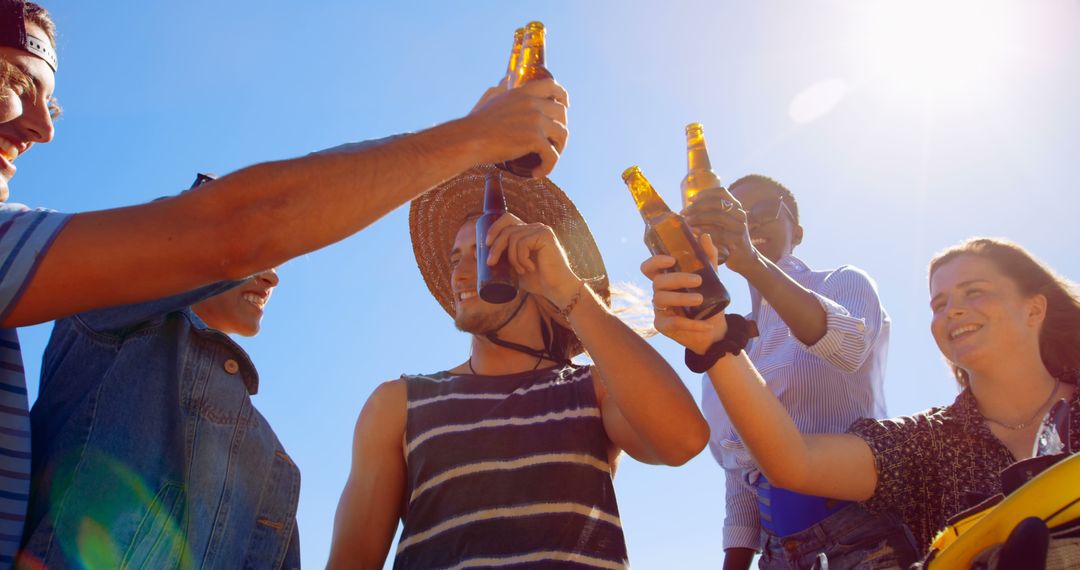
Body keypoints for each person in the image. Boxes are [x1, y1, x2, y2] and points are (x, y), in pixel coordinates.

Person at [0, 1, 567, 562]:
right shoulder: (108, 316)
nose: (42, 127)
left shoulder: (272, 464)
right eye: (16, 84)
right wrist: (472, 138)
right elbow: (238, 229)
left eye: (51, 103)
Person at [327, 166, 710, 569]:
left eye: (480, 252)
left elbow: (683, 440)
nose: (457, 273)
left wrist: (565, 288)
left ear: (529, 260)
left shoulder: (592, 389)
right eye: (455, 258)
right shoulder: (397, 404)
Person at [644, 235, 1080, 563]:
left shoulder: (841, 282)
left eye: (975, 292)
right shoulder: (928, 443)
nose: (953, 311)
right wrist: (716, 341)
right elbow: (793, 463)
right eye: (939, 303)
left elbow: (848, 345)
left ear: (1034, 308)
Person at [20, 174, 300, 567]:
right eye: (257, 256)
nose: (272, 276)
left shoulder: (274, 459)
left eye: (274, 262)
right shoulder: (106, 316)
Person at [681, 175, 912, 569]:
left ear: (798, 232)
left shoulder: (842, 283)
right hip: (778, 553)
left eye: (764, 210)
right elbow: (740, 469)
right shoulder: (728, 339)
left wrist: (751, 261)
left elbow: (850, 348)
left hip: (862, 536)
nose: (748, 221)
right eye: (732, 214)